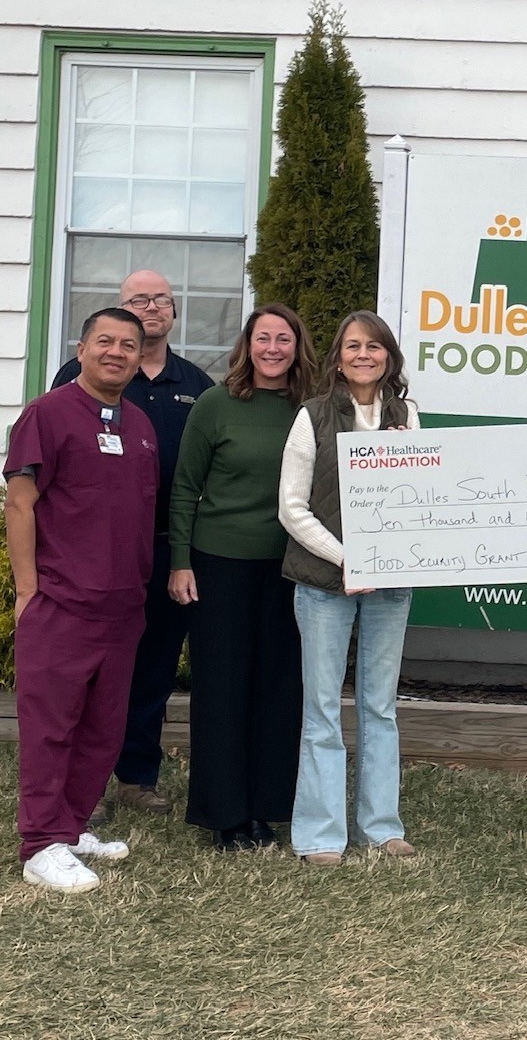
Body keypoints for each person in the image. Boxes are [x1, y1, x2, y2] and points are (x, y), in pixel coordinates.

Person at [4, 308, 157, 891]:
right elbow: (20, 503)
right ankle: (40, 844)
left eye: (128, 345)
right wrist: (26, 589)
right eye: (105, 341)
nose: (116, 352)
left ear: (139, 358)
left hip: (123, 607)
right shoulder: (46, 414)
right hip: (61, 601)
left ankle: (69, 826)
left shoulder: (139, 424)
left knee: (103, 729)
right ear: (82, 349)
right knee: (51, 727)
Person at [52, 270, 214, 820]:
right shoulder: (78, 376)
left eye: (161, 299)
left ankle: (136, 776)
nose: (151, 307)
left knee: (153, 667)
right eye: (138, 299)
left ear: (174, 311)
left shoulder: (196, 384)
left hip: (166, 548)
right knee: (91, 667)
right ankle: (86, 782)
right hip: (94, 551)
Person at [169, 303, 317, 851]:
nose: (272, 348)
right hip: (219, 564)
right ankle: (224, 814)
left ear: (297, 348)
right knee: (222, 689)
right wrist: (180, 561)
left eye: (283, 339)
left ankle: (263, 809)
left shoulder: (312, 410)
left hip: (291, 568)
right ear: (247, 345)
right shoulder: (215, 405)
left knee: (278, 689)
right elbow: (185, 486)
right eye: (263, 338)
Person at [279, 312, 419, 866]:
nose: (364, 355)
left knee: (380, 705)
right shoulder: (311, 416)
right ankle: (320, 835)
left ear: (389, 356)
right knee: (322, 707)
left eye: (375, 346)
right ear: (338, 357)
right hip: (324, 582)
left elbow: (420, 499)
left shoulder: (407, 415)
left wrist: (412, 462)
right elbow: (292, 508)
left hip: (390, 585)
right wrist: (349, 560)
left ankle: (382, 828)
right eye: (354, 346)